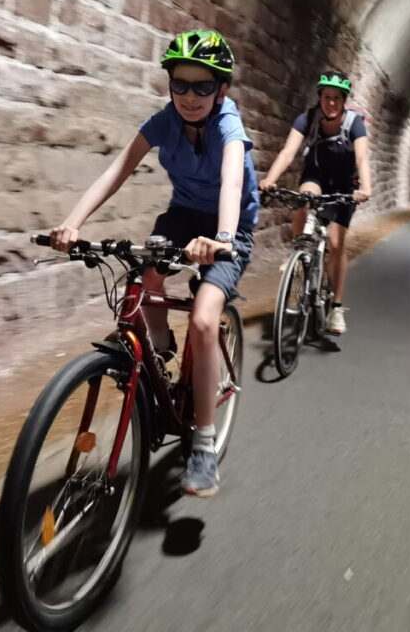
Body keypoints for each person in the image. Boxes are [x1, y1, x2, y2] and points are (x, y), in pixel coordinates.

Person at [49, 30, 257, 498]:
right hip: (182, 218)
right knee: (144, 278)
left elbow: (230, 182)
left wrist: (222, 239)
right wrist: (72, 223)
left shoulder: (229, 128)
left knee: (204, 322)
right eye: (179, 84)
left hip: (229, 229)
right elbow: (117, 169)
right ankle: (159, 351)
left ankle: (202, 444)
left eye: (202, 87)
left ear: (221, 90)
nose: (189, 96)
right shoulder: (164, 121)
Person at [259, 71, 372, 335]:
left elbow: (362, 158)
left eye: (336, 98)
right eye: (326, 97)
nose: (330, 102)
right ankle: (298, 251)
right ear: (319, 98)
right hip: (317, 176)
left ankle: (336, 307)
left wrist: (365, 186)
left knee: (335, 243)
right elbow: (288, 151)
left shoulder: (355, 124)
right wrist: (270, 178)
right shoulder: (307, 119)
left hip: (346, 186)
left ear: (343, 101)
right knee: (303, 199)